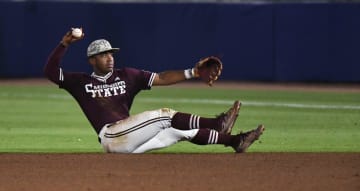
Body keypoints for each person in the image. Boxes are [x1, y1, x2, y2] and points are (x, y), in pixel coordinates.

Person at [44, 28, 265, 153]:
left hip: (132, 143)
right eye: (103, 54)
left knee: (181, 131)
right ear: (92, 60)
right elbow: (51, 72)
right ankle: (216, 124)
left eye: (111, 53)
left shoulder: (127, 75)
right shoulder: (80, 82)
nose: (110, 57)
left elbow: (162, 77)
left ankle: (234, 141)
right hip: (112, 137)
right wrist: (65, 44)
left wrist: (193, 73)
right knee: (164, 115)